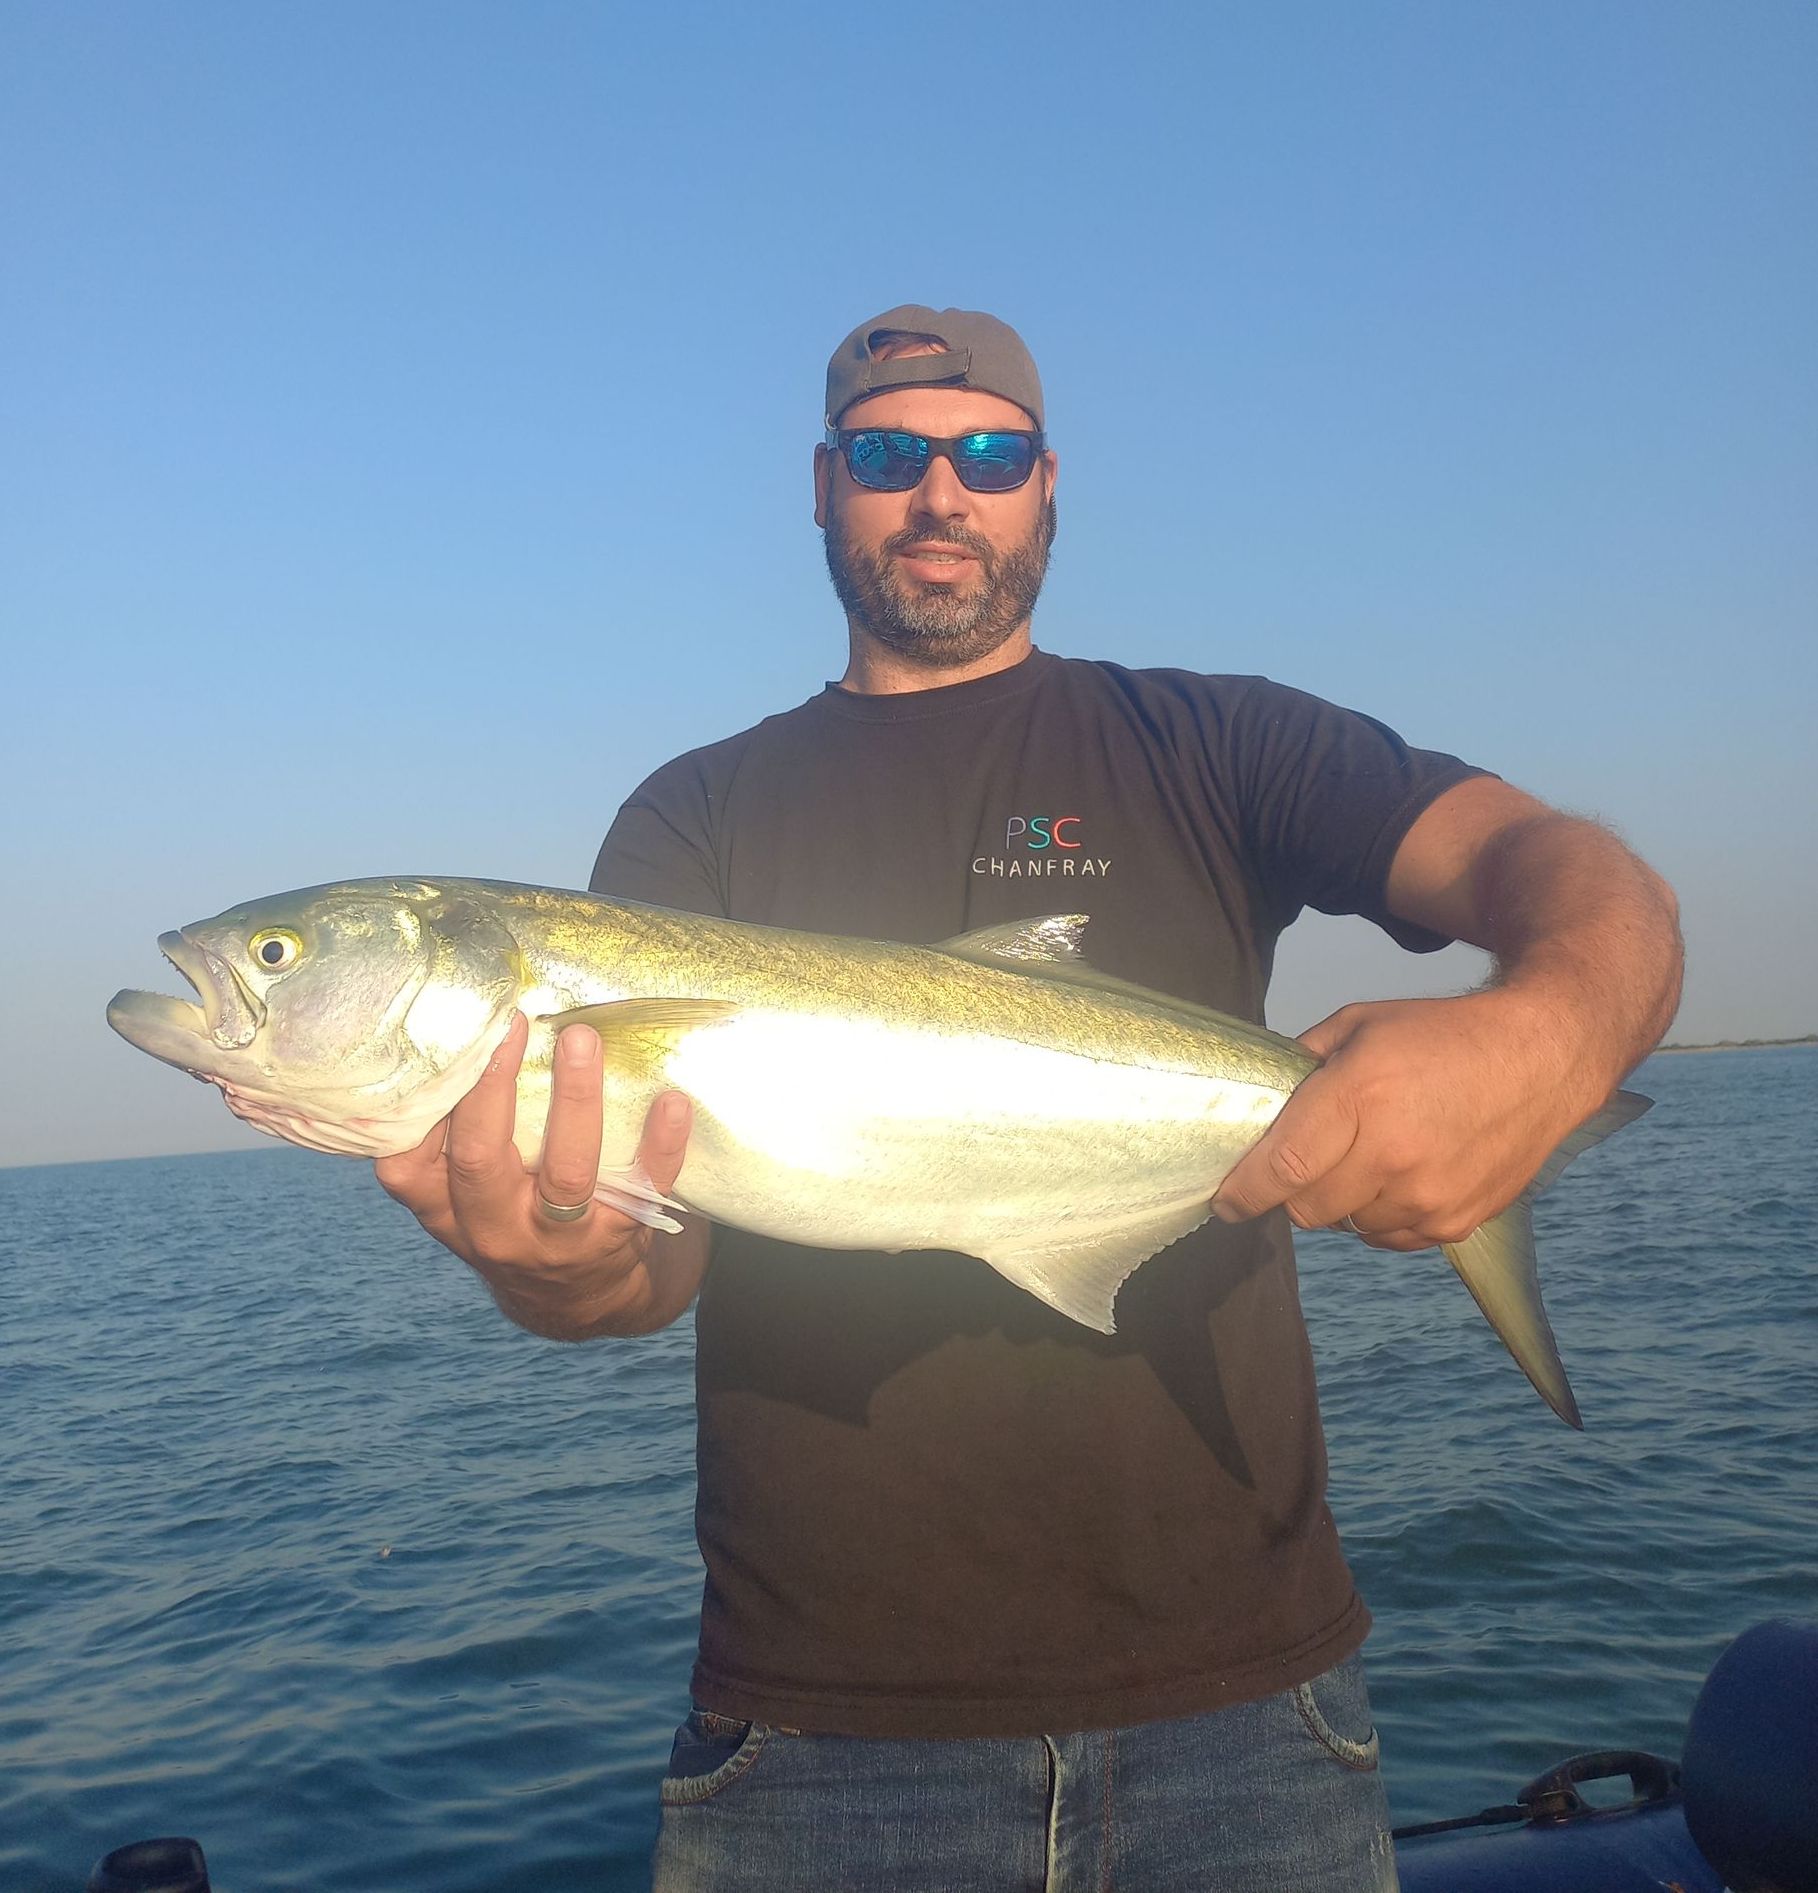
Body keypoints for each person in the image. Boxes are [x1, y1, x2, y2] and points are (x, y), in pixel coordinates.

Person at [377, 306, 1683, 1891]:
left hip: (1249, 1718)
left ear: (1047, 484)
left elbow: (1561, 871)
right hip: (815, 1744)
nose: (941, 492)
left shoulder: (1214, 738)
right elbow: (646, 1257)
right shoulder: (692, 816)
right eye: (887, 454)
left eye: (986, 453)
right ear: (820, 484)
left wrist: (1537, 1040)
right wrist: (560, 1262)